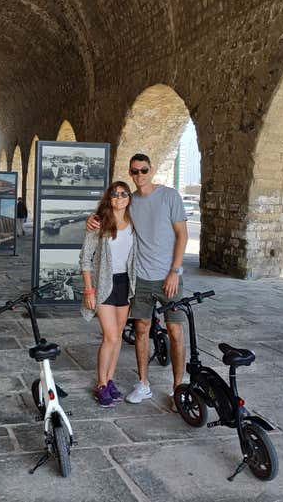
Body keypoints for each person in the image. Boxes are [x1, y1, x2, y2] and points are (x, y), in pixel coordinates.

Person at [86, 154, 188, 411]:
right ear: (131, 173)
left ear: (151, 170)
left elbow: (182, 235)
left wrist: (175, 271)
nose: (139, 175)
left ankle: (178, 388)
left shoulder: (169, 196)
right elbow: (107, 216)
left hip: (169, 278)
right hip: (140, 279)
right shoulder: (129, 203)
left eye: (143, 170)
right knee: (140, 331)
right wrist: (90, 219)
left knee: (175, 332)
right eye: (135, 171)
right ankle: (142, 383)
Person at [79, 181, 136, 407]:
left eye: (124, 194)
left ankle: (110, 379)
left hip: (125, 283)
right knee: (110, 336)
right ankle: (101, 385)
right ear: (108, 198)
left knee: (119, 335)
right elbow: (85, 258)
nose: (119, 198)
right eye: (115, 194)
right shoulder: (99, 223)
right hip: (104, 284)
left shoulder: (134, 222)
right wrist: (89, 290)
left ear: (129, 198)